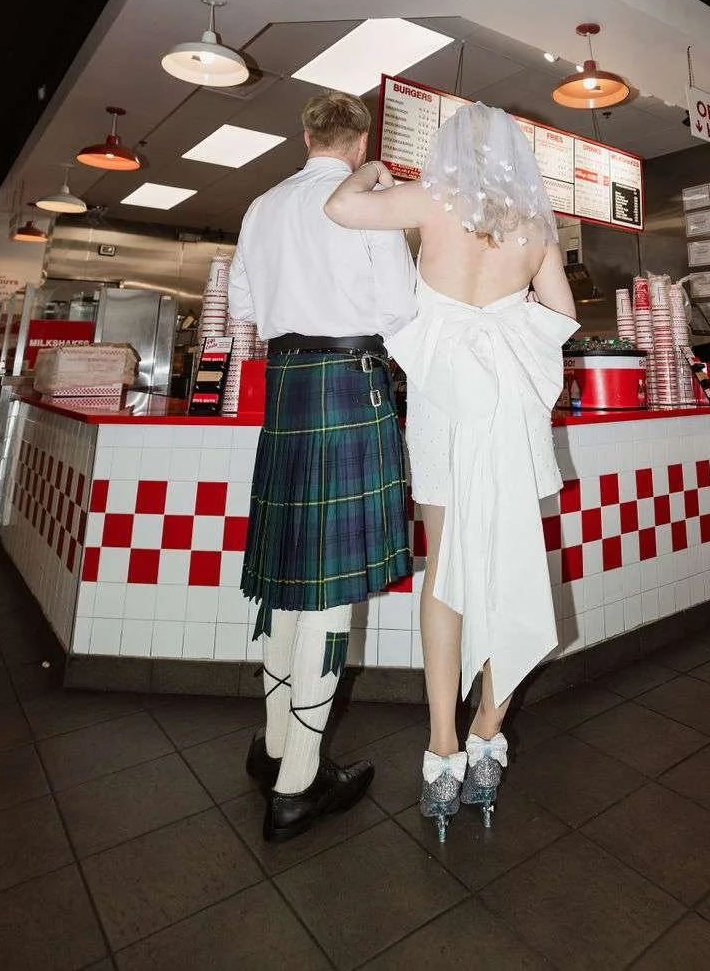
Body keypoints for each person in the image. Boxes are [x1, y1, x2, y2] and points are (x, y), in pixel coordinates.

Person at [325, 101, 578, 839]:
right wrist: (508, 320)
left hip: (443, 408)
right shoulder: (535, 224)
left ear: (448, 150)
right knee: (510, 567)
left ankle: (441, 750)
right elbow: (560, 319)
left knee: (447, 572)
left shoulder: (430, 198)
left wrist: (374, 168)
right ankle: (488, 738)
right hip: (508, 412)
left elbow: (342, 206)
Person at [228, 90, 416, 843]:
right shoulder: (368, 201)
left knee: (287, 578)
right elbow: (400, 311)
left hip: (286, 390)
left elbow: (243, 305)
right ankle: (300, 786)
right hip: (351, 384)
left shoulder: (260, 205)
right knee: (330, 591)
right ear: (362, 137)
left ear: (304, 134)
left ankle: (275, 749)